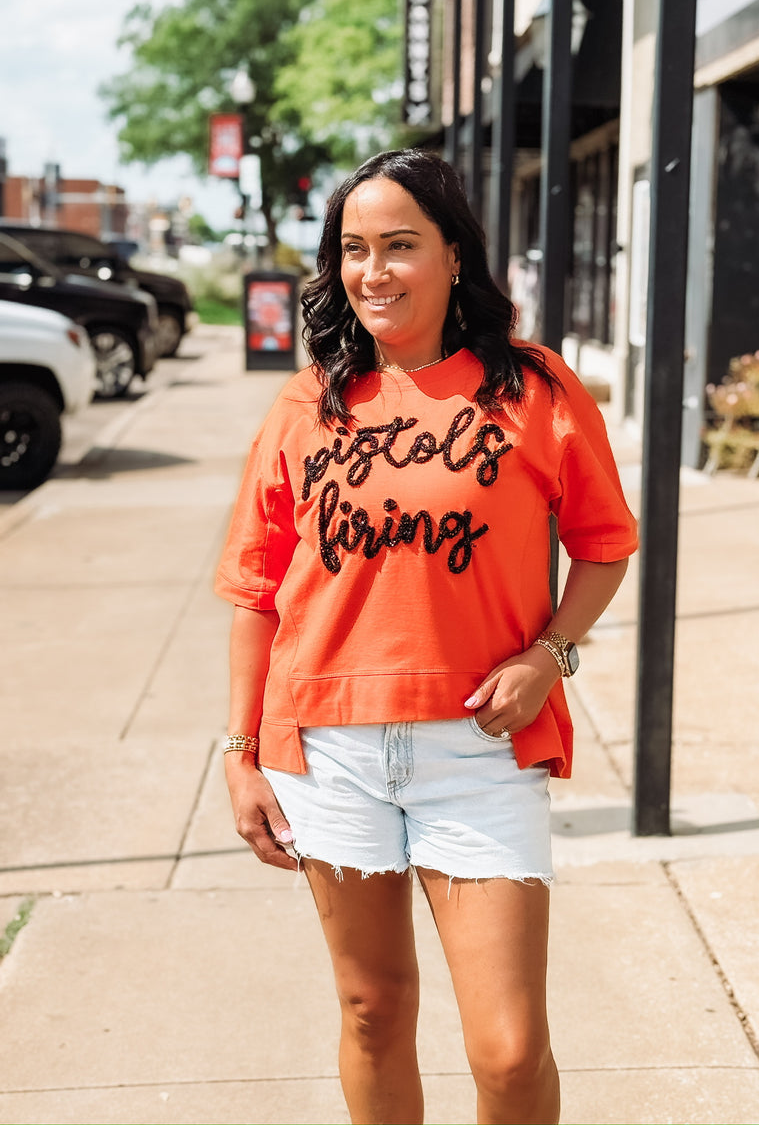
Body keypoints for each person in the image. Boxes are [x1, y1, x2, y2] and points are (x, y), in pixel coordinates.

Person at [215, 149, 638, 1125]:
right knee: (373, 1011)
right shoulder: (308, 402)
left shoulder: (532, 388)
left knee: (510, 1050)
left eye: (400, 245)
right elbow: (256, 591)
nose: (374, 272)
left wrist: (550, 655)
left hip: (478, 753)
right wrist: (239, 753)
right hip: (330, 754)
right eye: (354, 249)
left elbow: (605, 545)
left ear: (454, 255)